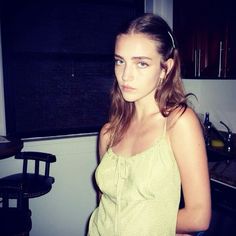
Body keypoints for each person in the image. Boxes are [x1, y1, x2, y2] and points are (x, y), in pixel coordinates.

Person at [88, 13, 211, 236]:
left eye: (141, 63)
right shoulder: (108, 132)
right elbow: (105, 202)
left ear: (165, 68)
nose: (126, 76)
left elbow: (199, 217)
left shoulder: (179, 123)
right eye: (119, 61)